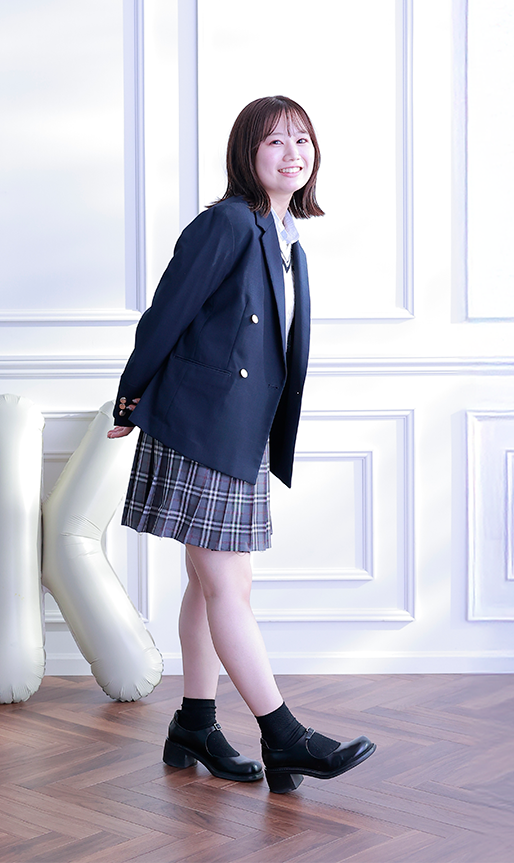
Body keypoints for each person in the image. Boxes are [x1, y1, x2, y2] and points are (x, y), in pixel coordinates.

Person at [106, 95, 376, 794]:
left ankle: (195, 723)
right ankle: (284, 735)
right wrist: (130, 399)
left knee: (214, 581)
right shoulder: (227, 222)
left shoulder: (288, 239)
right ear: (246, 154)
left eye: (302, 140)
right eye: (275, 141)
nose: (293, 153)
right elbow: (167, 313)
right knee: (227, 583)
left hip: (239, 427)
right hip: (201, 422)